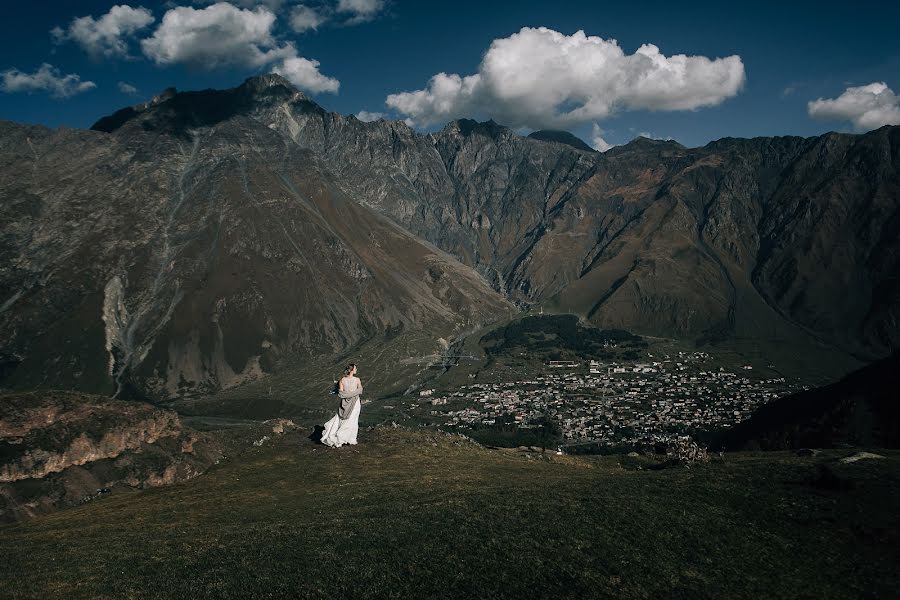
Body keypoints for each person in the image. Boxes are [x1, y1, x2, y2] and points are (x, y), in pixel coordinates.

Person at [321, 363, 363, 447]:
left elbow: (341, 393)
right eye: (355, 368)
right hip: (355, 402)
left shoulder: (342, 380)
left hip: (345, 402)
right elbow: (360, 390)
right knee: (352, 419)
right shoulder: (357, 380)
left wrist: (348, 394)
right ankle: (344, 437)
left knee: (347, 419)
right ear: (351, 370)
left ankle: (346, 437)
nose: (356, 370)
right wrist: (353, 394)